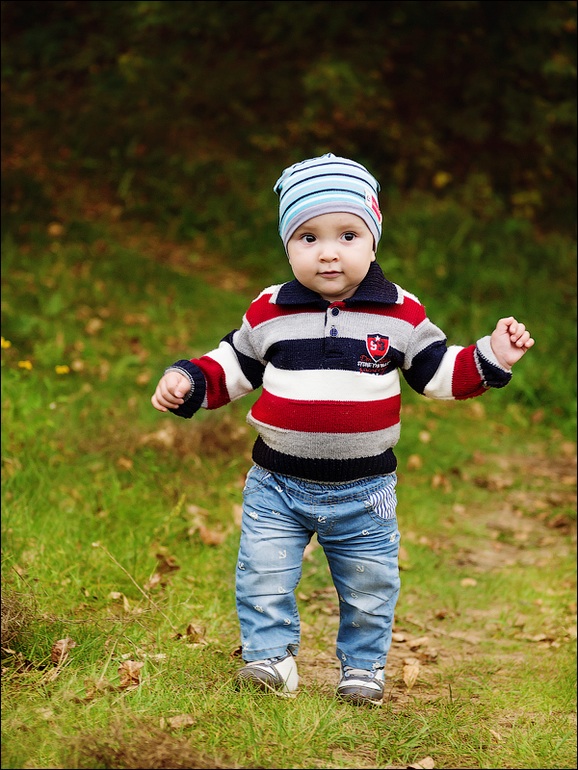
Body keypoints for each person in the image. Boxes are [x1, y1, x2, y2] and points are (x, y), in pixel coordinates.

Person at [151, 153, 534, 705]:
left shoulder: (401, 314)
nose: (328, 252)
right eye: (308, 237)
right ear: (287, 246)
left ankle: (362, 668)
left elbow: (436, 375)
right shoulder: (270, 310)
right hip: (276, 484)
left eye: (347, 235)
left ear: (373, 241)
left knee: (369, 585)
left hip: (364, 490)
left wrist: (490, 356)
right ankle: (270, 659)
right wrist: (188, 379)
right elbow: (234, 364)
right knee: (262, 575)